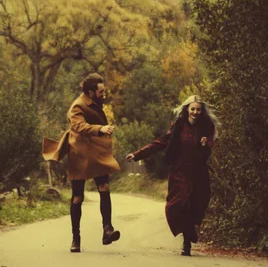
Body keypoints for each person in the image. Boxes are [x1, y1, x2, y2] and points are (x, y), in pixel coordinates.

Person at [126, 95, 219, 256]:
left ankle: (187, 241)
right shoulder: (178, 126)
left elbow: (210, 144)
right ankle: (187, 232)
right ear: (187, 109)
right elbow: (160, 143)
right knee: (177, 205)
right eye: (192, 109)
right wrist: (137, 155)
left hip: (198, 172)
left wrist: (206, 143)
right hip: (180, 171)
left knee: (195, 203)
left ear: (202, 111)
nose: (195, 112)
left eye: (198, 109)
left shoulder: (206, 127)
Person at [42, 73, 121, 253]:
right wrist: (100, 129)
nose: (104, 94)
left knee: (104, 188)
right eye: (101, 91)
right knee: (78, 197)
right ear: (91, 92)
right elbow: (78, 126)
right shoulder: (78, 106)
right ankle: (75, 238)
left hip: (96, 153)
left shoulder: (96, 103)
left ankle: (107, 229)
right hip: (78, 155)